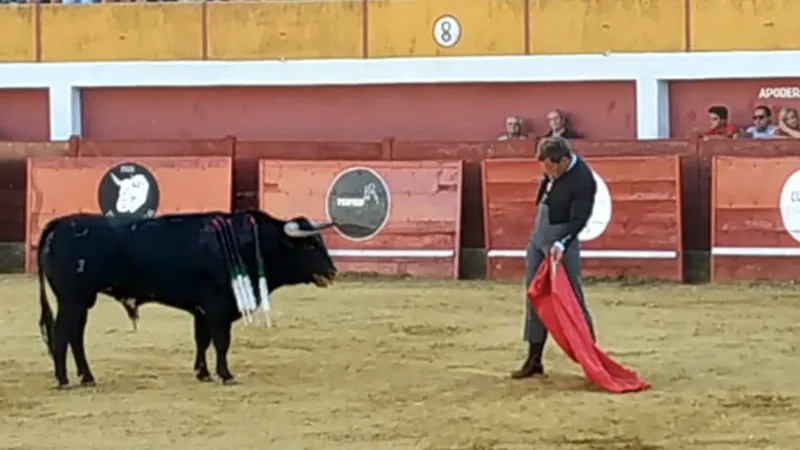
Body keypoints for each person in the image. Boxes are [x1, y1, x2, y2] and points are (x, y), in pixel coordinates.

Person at [511, 136, 597, 379]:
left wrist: (562, 241)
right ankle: (534, 358)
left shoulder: (583, 179)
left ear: (563, 160)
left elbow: (579, 219)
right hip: (538, 239)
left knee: (572, 299)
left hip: (562, 243)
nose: (547, 173)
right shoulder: (552, 172)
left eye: (550, 168)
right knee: (534, 295)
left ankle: (591, 360)